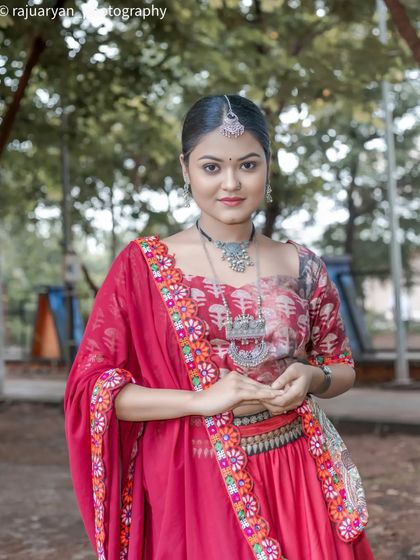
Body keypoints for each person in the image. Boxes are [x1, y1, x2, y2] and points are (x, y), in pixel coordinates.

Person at [64, 94, 375, 560]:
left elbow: (341, 366)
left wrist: (314, 377)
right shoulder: (143, 268)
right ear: (186, 168)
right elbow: (93, 392)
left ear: (268, 167)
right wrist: (200, 400)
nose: (231, 183)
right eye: (212, 167)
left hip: (299, 473)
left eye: (248, 165)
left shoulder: (302, 264)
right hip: (195, 478)